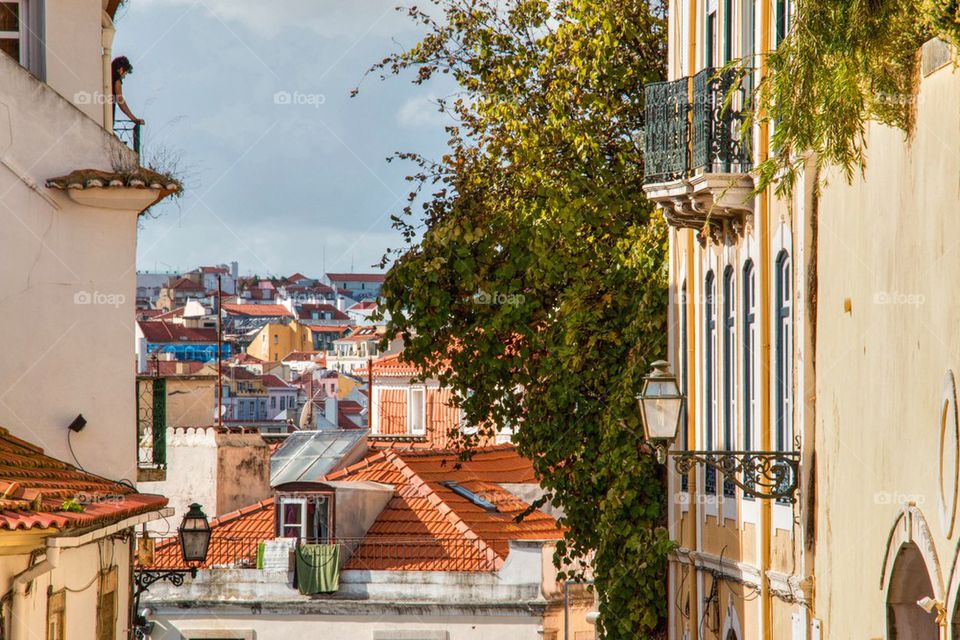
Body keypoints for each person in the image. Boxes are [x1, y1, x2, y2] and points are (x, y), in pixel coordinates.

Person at [111, 56, 144, 126]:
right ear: (121, 69)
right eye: (125, 73)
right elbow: (120, 101)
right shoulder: (117, 81)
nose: (124, 77)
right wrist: (134, 119)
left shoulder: (106, 75)